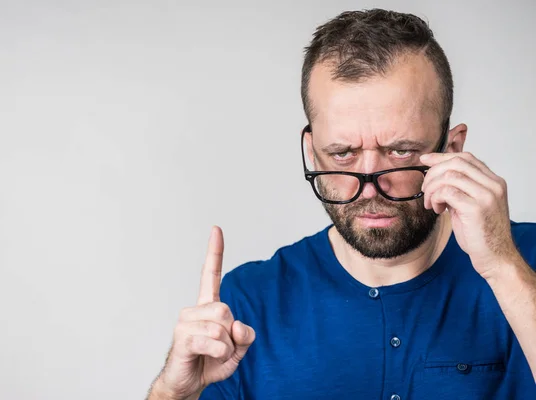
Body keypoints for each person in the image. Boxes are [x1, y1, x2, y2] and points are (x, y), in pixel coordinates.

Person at [147, 9, 536, 399]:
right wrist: (173, 392)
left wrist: (503, 267)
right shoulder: (251, 303)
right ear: (311, 152)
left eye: (400, 151)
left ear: (452, 149)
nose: (370, 187)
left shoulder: (523, 265)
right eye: (343, 153)